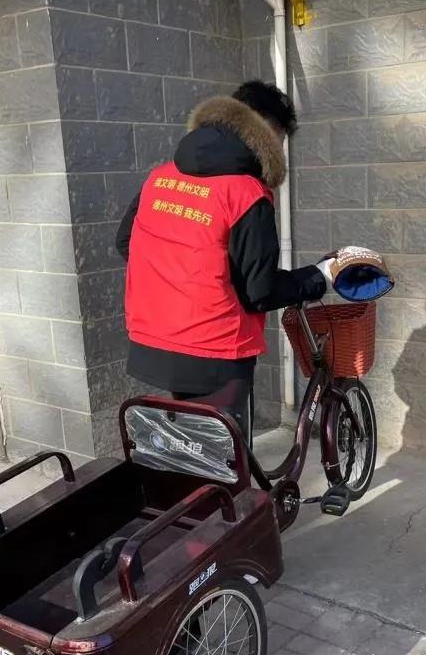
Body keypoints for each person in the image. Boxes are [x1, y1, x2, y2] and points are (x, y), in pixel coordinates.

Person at [116, 80, 328, 443]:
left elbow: (126, 243)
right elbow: (259, 292)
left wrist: (183, 280)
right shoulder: (246, 192)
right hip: (216, 348)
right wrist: (318, 277)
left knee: (193, 446)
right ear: (268, 131)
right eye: (281, 138)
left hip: (155, 340)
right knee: (226, 455)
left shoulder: (160, 178)